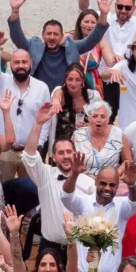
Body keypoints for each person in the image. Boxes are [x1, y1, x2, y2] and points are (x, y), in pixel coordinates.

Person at [78, 0, 136, 121]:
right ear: (115, 6)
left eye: (127, 8)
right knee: (104, 115)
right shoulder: (105, 17)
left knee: (133, 114)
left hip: (129, 77)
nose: (123, 10)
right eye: (120, 6)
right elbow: (85, 12)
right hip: (106, 76)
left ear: (133, 9)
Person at [21, 106, 95, 256]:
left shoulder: (88, 183)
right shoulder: (44, 175)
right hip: (49, 247)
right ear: (53, 157)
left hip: (79, 247)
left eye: (69, 152)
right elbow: (29, 155)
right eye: (61, 153)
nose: (66, 156)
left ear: (75, 153)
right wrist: (38, 123)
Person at [6, 0, 111, 91]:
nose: (52, 37)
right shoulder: (33, 46)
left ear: (61, 36)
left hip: (65, 99)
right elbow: (17, 37)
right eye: (49, 33)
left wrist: (103, 14)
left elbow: (92, 40)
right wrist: (15, 11)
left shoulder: (72, 47)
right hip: (39, 98)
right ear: (43, 35)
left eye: (55, 34)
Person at [62, 158, 136, 272]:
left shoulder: (122, 207)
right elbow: (66, 196)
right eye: (103, 183)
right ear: (95, 182)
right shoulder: (83, 203)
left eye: (112, 185)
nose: (107, 188)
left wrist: (132, 185)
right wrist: (74, 174)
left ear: (117, 185)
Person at [0, 30, 51, 178]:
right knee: (4, 192)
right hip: (5, 151)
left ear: (30, 63)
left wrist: (39, 144)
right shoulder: (1, 81)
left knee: (29, 193)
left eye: (24, 62)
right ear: (11, 64)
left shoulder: (42, 87)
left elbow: (46, 120)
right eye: (16, 62)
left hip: (30, 151)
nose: (20, 65)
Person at [72, 99, 132, 177]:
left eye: (103, 117)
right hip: (84, 180)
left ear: (108, 119)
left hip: (111, 181)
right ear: (89, 119)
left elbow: (128, 160)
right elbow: (71, 161)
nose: (99, 120)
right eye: (95, 116)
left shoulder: (118, 134)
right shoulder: (78, 135)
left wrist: (115, 175)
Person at [49, 63, 99, 148]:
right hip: (62, 147)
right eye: (70, 79)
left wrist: (90, 126)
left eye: (77, 80)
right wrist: (56, 100)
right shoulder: (60, 93)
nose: (73, 83)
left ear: (82, 81)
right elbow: (57, 94)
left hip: (86, 147)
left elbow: (101, 120)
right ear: (65, 80)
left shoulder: (93, 96)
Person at [70, 7, 116, 93]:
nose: (89, 26)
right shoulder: (70, 38)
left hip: (94, 87)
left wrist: (117, 60)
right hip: (73, 85)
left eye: (93, 22)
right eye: (86, 22)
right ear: (80, 23)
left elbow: (111, 62)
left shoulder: (101, 40)